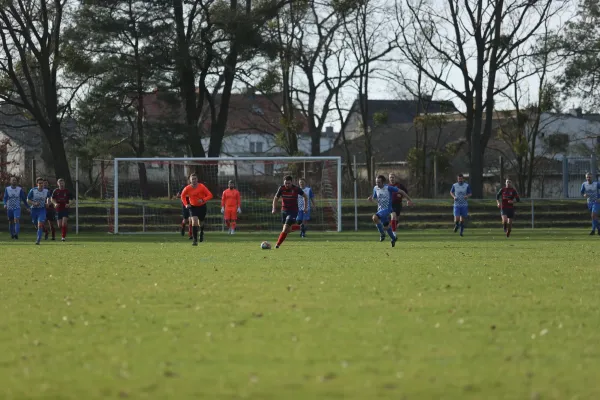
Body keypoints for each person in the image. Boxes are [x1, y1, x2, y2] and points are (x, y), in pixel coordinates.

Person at [368, 175, 412, 247]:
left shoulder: (388, 188)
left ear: (383, 182)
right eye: (376, 182)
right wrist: (371, 199)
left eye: (379, 182)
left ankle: (382, 234)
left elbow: (402, 191)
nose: (377, 184)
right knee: (387, 226)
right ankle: (393, 238)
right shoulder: (375, 188)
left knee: (374, 217)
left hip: (387, 209)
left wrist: (409, 200)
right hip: (380, 210)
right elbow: (374, 198)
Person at [272, 175, 308, 248]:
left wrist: (305, 207)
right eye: (286, 183)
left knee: (285, 228)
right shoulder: (281, 188)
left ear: (292, 182)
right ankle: (299, 227)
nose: (287, 185)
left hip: (293, 211)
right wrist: (274, 208)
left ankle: (277, 244)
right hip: (284, 211)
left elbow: (305, 197)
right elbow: (275, 198)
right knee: (286, 230)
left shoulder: (296, 189)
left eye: (288, 183)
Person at [180, 173, 213, 246]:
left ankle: (201, 232)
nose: (194, 180)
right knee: (194, 221)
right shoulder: (187, 188)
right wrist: (186, 204)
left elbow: (210, 195)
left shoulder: (202, 186)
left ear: (197, 179)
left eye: (195, 179)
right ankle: (195, 240)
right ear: (190, 180)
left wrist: (203, 199)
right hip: (193, 207)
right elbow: (182, 196)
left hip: (202, 206)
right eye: (192, 179)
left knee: (201, 222)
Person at [27, 177, 49, 245]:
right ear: (37, 184)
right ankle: (46, 231)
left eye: (42, 183)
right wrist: (34, 203)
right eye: (39, 183)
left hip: (42, 209)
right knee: (36, 225)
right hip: (34, 210)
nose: (41, 184)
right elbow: (28, 200)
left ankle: (38, 240)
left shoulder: (46, 191)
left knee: (40, 225)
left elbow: (49, 197)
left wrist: (48, 203)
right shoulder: (33, 190)